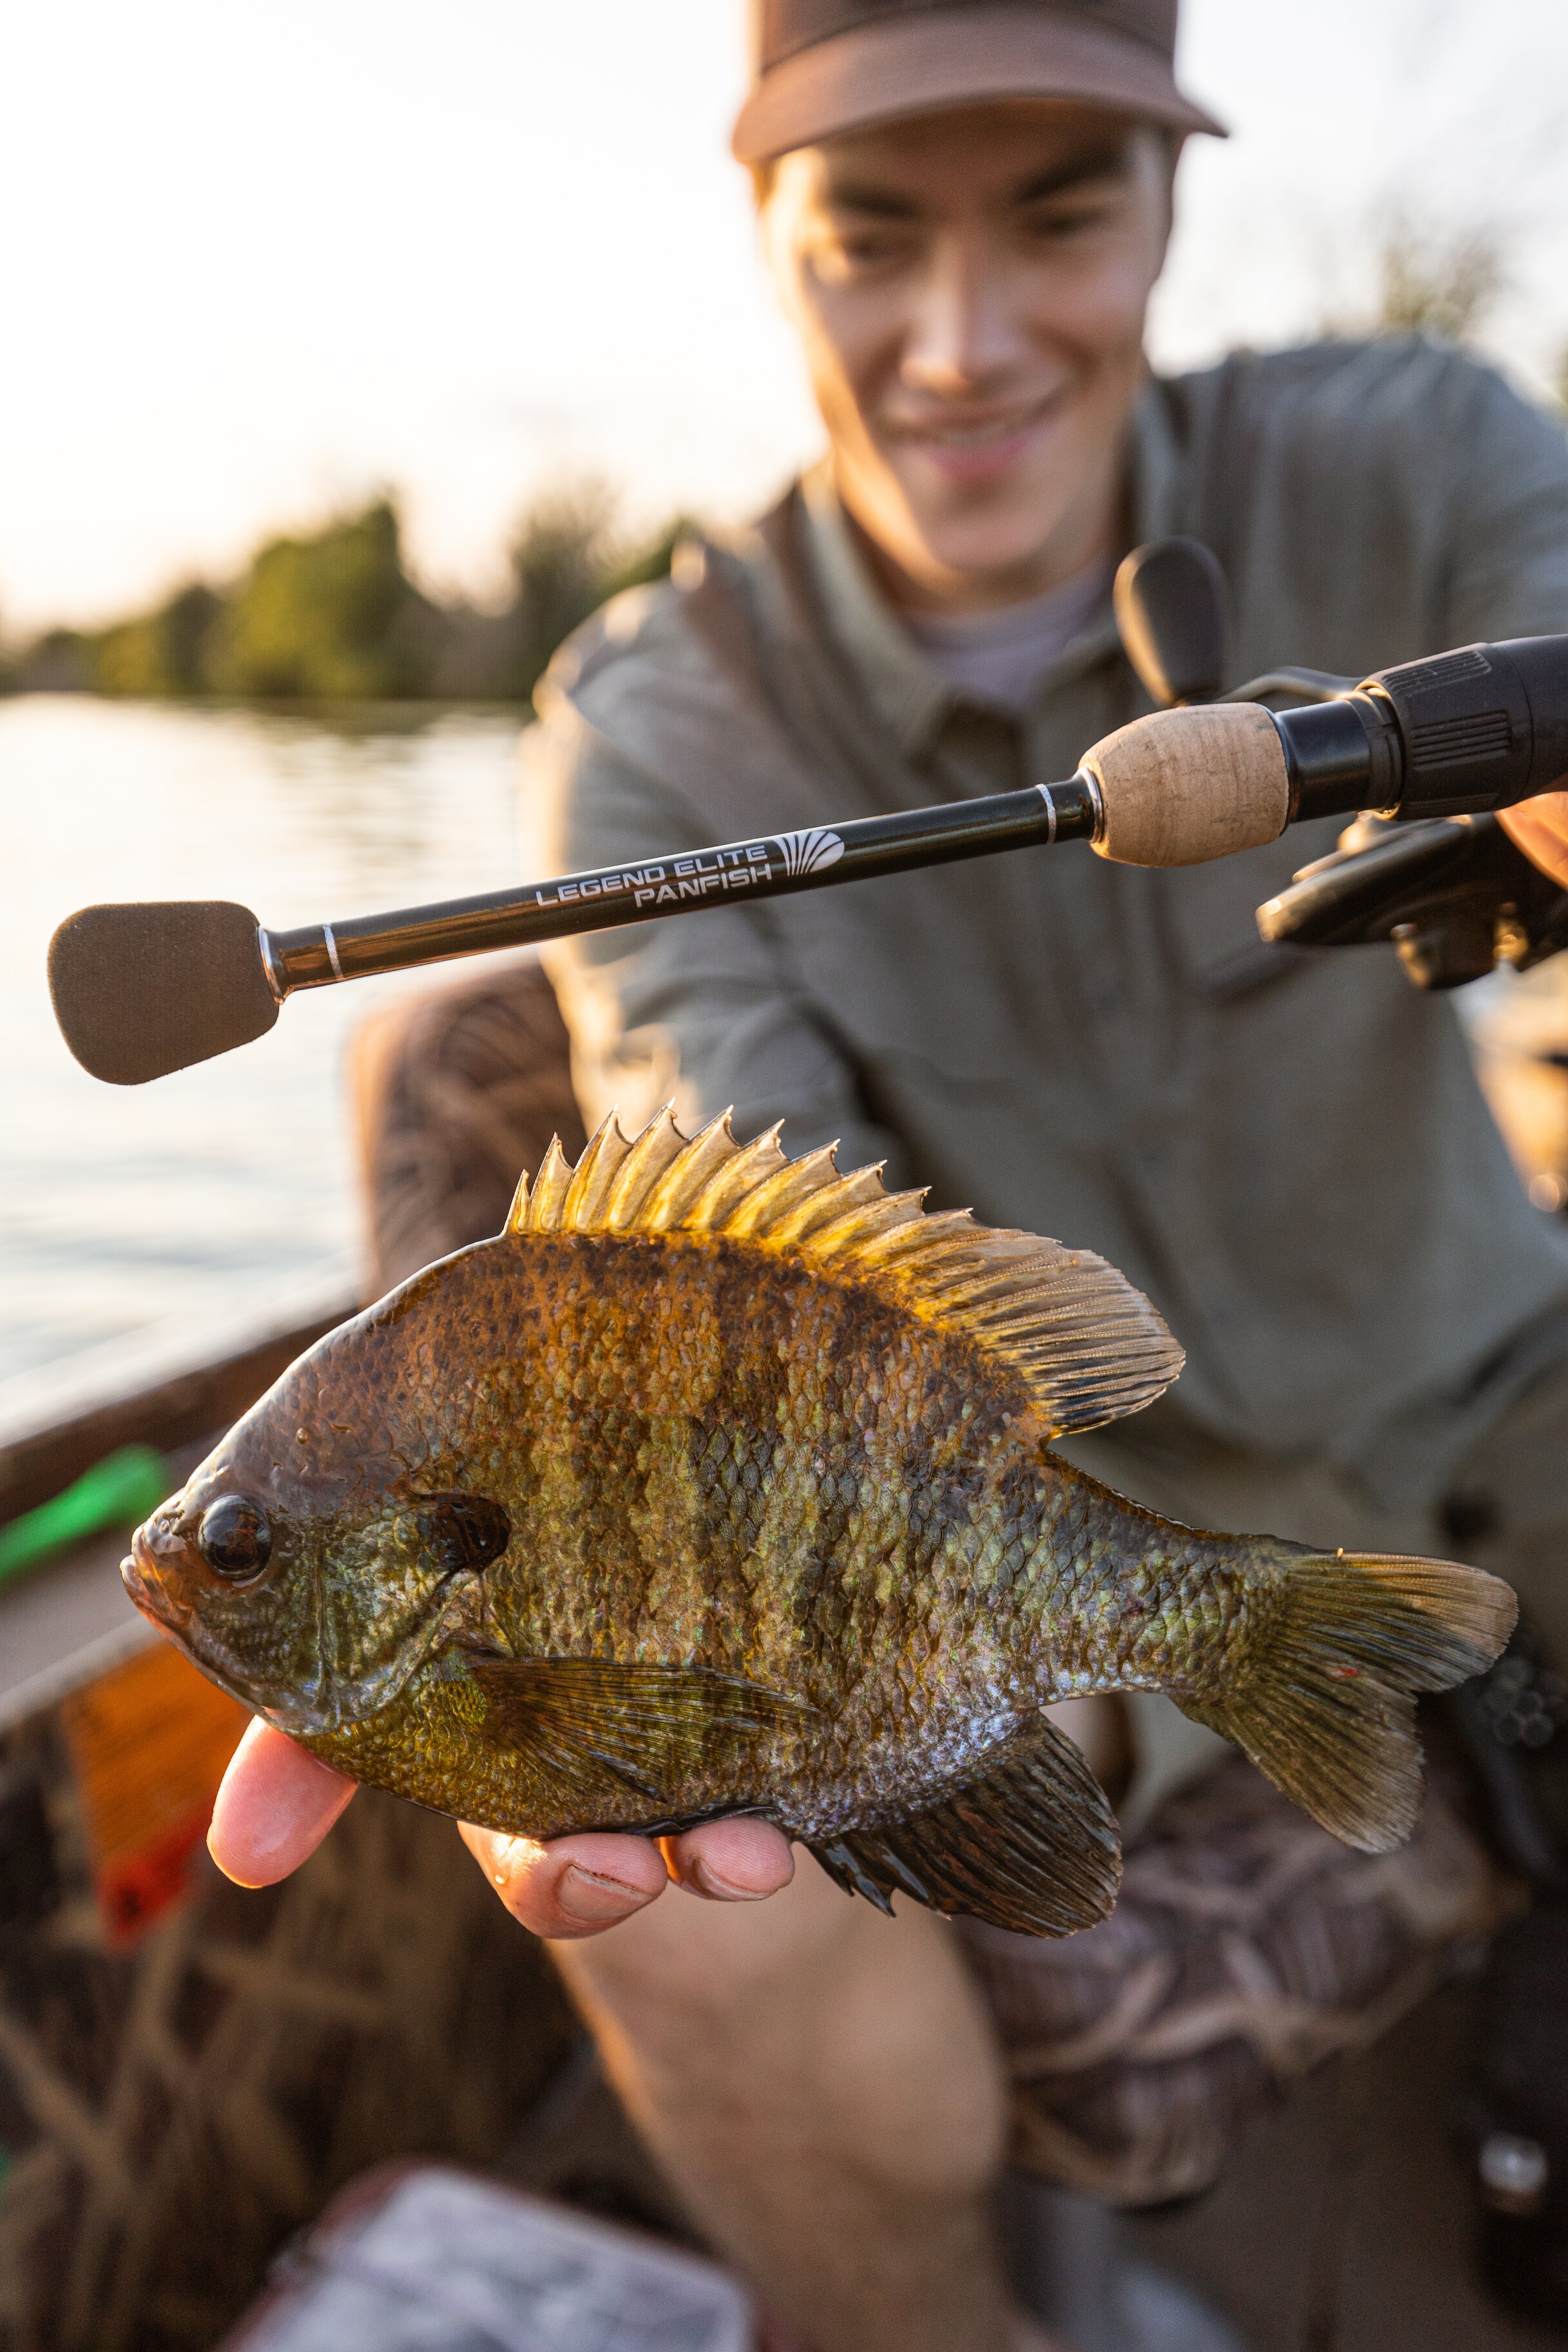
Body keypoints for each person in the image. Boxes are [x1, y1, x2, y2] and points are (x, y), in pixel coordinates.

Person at [211, 3, 1568, 2346]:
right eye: (870, 238)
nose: (964, 341)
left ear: (1167, 204)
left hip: (1511, 1395)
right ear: (767, 234)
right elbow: (738, 1283)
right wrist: (614, 1671)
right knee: (695, 1917)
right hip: (1064, 1504)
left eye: (1058, 217)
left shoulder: (1421, 465)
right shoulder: (663, 732)